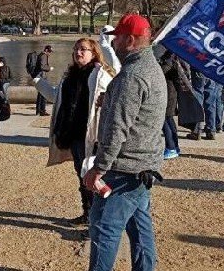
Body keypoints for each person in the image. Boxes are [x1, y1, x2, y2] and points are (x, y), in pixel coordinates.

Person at [83, 14, 166, 271]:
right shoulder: (151, 67)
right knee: (140, 229)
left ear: (130, 40)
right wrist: (110, 101)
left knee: (104, 229)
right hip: (143, 165)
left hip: (124, 168)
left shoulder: (131, 76)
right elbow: (137, 113)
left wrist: (99, 168)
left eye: (117, 37)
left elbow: (116, 130)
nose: (114, 43)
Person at [34, 38, 114, 225]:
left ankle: (98, 221)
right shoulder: (69, 75)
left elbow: (113, 103)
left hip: (92, 136)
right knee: (82, 176)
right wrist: (38, 81)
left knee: (95, 178)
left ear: (94, 52)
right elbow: (56, 97)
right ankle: (88, 215)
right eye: (76, 49)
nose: (78, 52)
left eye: (83, 49)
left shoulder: (101, 75)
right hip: (74, 134)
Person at [159, 50, 181, 159]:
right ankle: (174, 146)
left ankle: (171, 147)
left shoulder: (171, 55)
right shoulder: (171, 53)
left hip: (169, 92)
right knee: (169, 119)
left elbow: (163, 69)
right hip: (170, 91)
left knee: (164, 120)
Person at [35, 45, 53, 116]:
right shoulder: (43, 56)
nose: (50, 53)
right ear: (46, 50)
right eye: (49, 51)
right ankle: (42, 110)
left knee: (40, 94)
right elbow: (42, 66)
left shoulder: (41, 55)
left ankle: (39, 110)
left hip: (40, 76)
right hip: (42, 76)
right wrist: (49, 69)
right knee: (43, 94)